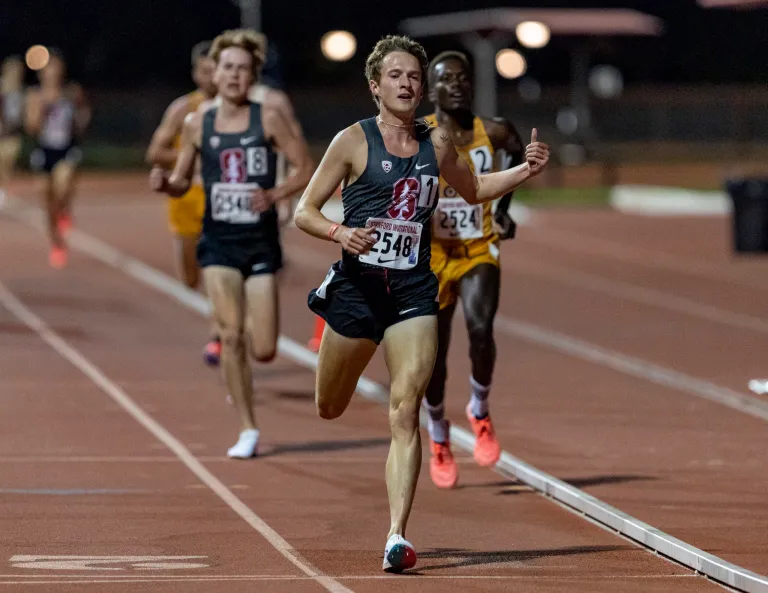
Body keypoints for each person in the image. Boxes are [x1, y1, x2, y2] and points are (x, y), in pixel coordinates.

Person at [293, 34, 549, 573]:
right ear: (375, 86)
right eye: (396, 76)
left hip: (412, 288)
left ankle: (395, 536)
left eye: (413, 76)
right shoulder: (352, 141)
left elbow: (474, 188)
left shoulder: (436, 145)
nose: (407, 84)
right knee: (329, 406)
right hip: (359, 287)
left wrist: (525, 170)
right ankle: (330, 298)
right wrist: (341, 233)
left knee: (404, 407)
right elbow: (304, 211)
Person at [149, 29, 314, 459]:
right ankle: (247, 427)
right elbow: (183, 179)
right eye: (227, 68)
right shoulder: (196, 122)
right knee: (231, 335)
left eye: (243, 69)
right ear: (215, 73)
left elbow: (304, 167)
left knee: (263, 348)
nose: (234, 76)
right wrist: (167, 184)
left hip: (259, 244)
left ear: (253, 75)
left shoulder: (268, 118)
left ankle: (248, 395)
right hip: (218, 242)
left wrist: (276, 195)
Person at [422, 51, 524, 489]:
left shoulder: (494, 130)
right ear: (432, 91)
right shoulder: (418, 133)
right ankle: (439, 434)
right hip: (432, 255)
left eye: (464, 78)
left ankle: (479, 410)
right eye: (447, 80)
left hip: (479, 246)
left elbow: (518, 151)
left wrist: (503, 210)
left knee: (481, 328)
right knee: (434, 355)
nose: (458, 86)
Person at [146, 41, 221, 366]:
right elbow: (154, 153)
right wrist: (192, 156)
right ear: (196, 73)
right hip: (186, 200)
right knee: (191, 278)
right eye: (205, 70)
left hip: (224, 204)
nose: (213, 77)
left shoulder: (245, 109)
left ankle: (220, 336)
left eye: (217, 69)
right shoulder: (182, 109)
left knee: (221, 269)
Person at [24, 49, 90, 268]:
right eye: (49, 70)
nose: (53, 74)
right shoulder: (35, 95)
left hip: (66, 148)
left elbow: (83, 115)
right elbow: (31, 127)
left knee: (64, 183)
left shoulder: (71, 93)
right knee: (46, 199)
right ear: (42, 74)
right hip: (44, 150)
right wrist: (43, 108)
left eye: (56, 69)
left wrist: (81, 121)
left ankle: (64, 211)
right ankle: (56, 243)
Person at [246, 32, 304, 228]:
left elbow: (296, 151)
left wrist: (284, 193)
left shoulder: (274, 100)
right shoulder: (213, 104)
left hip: (267, 190)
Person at [0, 55, 25, 202]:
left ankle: (3, 189)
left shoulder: (20, 90)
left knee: (8, 164)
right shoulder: (2, 87)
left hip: (12, 134)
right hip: (1, 132)